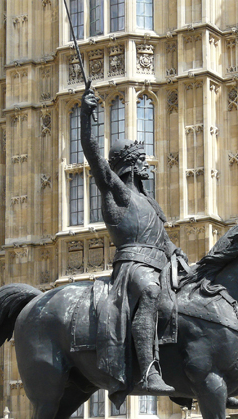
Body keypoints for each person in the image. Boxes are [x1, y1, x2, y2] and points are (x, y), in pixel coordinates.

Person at [80, 86, 180, 398]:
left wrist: (175, 252)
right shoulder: (118, 192)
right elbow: (94, 156)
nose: (147, 164)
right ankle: (148, 372)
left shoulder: (148, 201)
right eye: (142, 160)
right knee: (150, 293)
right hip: (133, 267)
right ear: (131, 165)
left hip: (160, 263)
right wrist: (86, 116)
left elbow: (162, 238)